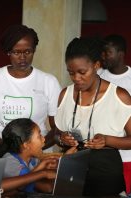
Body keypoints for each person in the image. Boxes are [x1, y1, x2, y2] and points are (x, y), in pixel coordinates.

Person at [55, 37, 131, 196]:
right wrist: (62, 138)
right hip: (72, 170)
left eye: (82, 72)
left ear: (96, 65)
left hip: (106, 172)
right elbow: (56, 134)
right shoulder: (65, 95)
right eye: (71, 73)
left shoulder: (119, 96)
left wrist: (107, 140)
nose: (76, 78)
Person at [0, 24, 61, 151]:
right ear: (8, 51)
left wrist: (34, 149)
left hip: (36, 155)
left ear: (34, 50)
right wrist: (4, 148)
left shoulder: (48, 82)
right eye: (16, 52)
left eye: (28, 51)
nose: (22, 57)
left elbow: (57, 128)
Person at [99, 34, 131, 196]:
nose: (103, 56)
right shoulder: (97, 76)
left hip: (127, 156)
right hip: (102, 156)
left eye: (108, 52)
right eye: (102, 52)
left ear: (120, 53)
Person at [0, 118, 58, 195]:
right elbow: (48, 188)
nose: (43, 139)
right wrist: (44, 171)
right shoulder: (11, 163)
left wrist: (46, 167)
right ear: (26, 145)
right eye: (39, 136)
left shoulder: (32, 159)